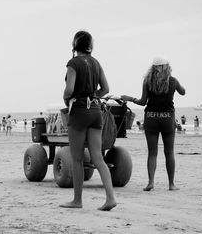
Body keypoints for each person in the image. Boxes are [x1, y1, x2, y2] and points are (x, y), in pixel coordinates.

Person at [60, 30, 116, 211]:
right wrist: (93, 96)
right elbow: (106, 88)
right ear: (89, 45)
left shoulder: (73, 63)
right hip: (95, 111)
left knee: (77, 159)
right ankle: (110, 198)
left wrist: (67, 98)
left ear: (75, 44)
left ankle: (77, 200)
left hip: (79, 112)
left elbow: (69, 90)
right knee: (98, 158)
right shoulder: (96, 63)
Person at [121, 57, 185, 191]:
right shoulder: (173, 81)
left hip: (151, 118)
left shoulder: (147, 82)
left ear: (154, 68)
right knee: (169, 152)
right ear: (167, 67)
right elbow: (183, 92)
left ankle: (151, 182)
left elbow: (143, 102)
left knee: (152, 153)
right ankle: (171, 184)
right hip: (168, 118)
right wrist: (176, 86)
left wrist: (130, 99)